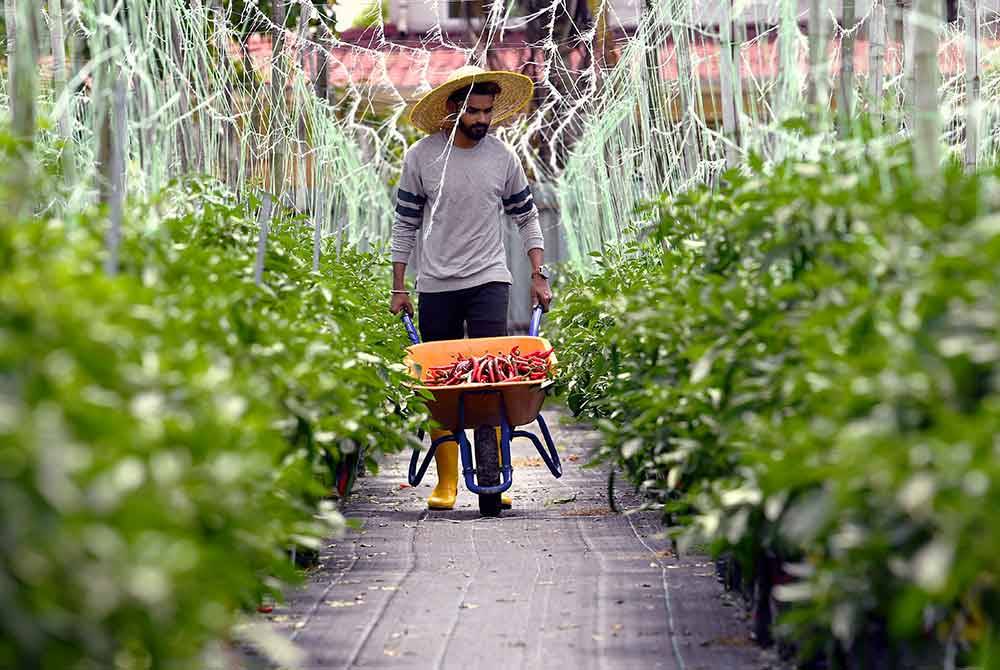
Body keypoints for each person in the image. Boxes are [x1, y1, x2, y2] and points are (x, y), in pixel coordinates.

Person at [389, 65, 553, 510]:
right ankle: (446, 482)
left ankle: (492, 480)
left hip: (489, 279)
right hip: (437, 282)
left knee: (490, 382)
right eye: (474, 112)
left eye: (487, 112)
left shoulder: (502, 158)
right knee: (439, 388)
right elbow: (405, 223)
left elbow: (526, 216)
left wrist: (538, 274)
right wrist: (398, 286)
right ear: (452, 109)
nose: (483, 120)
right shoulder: (422, 157)